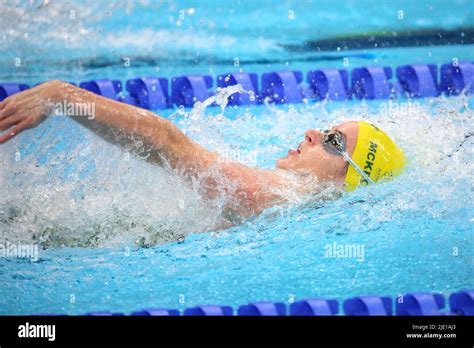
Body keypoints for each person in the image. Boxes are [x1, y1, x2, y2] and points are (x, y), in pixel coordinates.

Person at [0, 80, 406, 221]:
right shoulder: (289, 205)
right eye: (327, 129)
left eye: (334, 142)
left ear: (349, 178)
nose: (313, 133)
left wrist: (61, 96)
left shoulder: (276, 195)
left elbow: (167, 144)